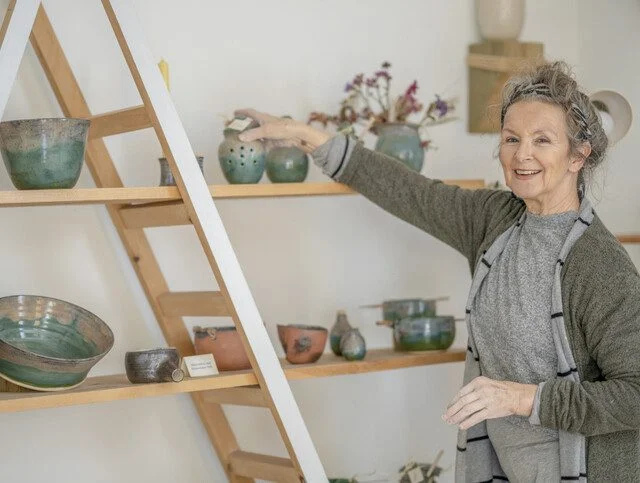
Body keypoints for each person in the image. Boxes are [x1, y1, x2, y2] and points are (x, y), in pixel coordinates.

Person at [235, 61, 640, 482]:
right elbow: (414, 195)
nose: (522, 154)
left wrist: (525, 399)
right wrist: (308, 136)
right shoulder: (496, 220)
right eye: (511, 138)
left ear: (579, 155)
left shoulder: (598, 265)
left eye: (543, 140)